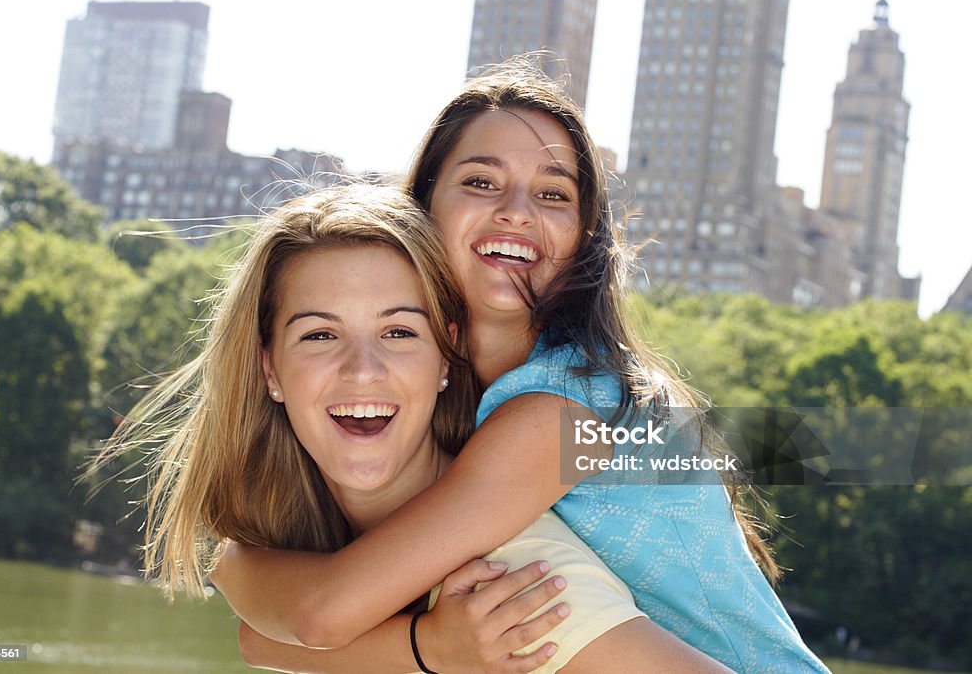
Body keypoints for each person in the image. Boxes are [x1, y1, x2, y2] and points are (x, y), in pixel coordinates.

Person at [210, 58, 830, 673]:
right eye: (481, 182)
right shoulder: (453, 398)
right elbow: (266, 640)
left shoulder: (561, 413)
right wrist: (244, 568)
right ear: (422, 206)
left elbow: (319, 618)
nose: (517, 211)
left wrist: (244, 568)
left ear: (585, 236)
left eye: (554, 194)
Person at [96, 183, 730, 673]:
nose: (362, 370)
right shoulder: (308, 560)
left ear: (445, 357)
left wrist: (430, 652)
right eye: (320, 335)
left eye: (399, 332)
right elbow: (263, 629)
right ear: (271, 370)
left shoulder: (515, 585)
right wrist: (426, 649)